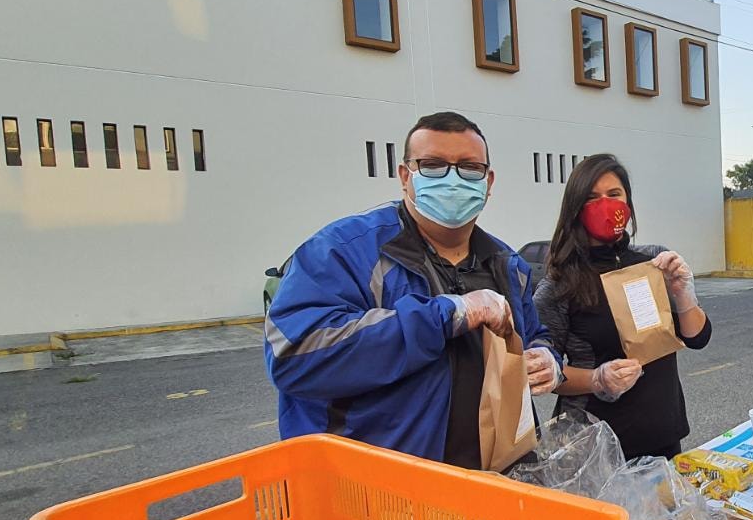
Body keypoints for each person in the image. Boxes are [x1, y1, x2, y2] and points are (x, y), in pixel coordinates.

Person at [265, 111, 562, 468]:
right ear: (405, 176)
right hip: (380, 491)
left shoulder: (506, 264)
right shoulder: (343, 251)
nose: (453, 180)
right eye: (434, 165)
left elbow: (534, 336)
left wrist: (548, 360)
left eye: (469, 168)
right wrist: (447, 315)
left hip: (494, 484)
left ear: (488, 181)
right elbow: (293, 356)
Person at [533, 154, 711, 460]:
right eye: (591, 198)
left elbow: (697, 338)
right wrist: (596, 379)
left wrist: (683, 293)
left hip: (663, 435)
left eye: (614, 195)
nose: (605, 204)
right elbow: (545, 374)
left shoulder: (653, 263)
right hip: (597, 448)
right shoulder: (559, 285)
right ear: (575, 209)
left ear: (627, 202)